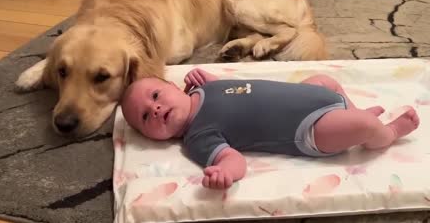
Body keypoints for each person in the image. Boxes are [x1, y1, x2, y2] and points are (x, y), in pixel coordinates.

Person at [120, 68, 420, 190]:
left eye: (156, 96)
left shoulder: (204, 89)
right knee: (367, 125)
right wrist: (225, 174)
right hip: (310, 130)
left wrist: (213, 80)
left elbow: (241, 89)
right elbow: (233, 160)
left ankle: (351, 113)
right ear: (150, 137)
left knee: (324, 80)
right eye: (145, 117)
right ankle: (385, 134)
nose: (155, 109)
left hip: (312, 97)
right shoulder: (198, 137)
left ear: (173, 86)